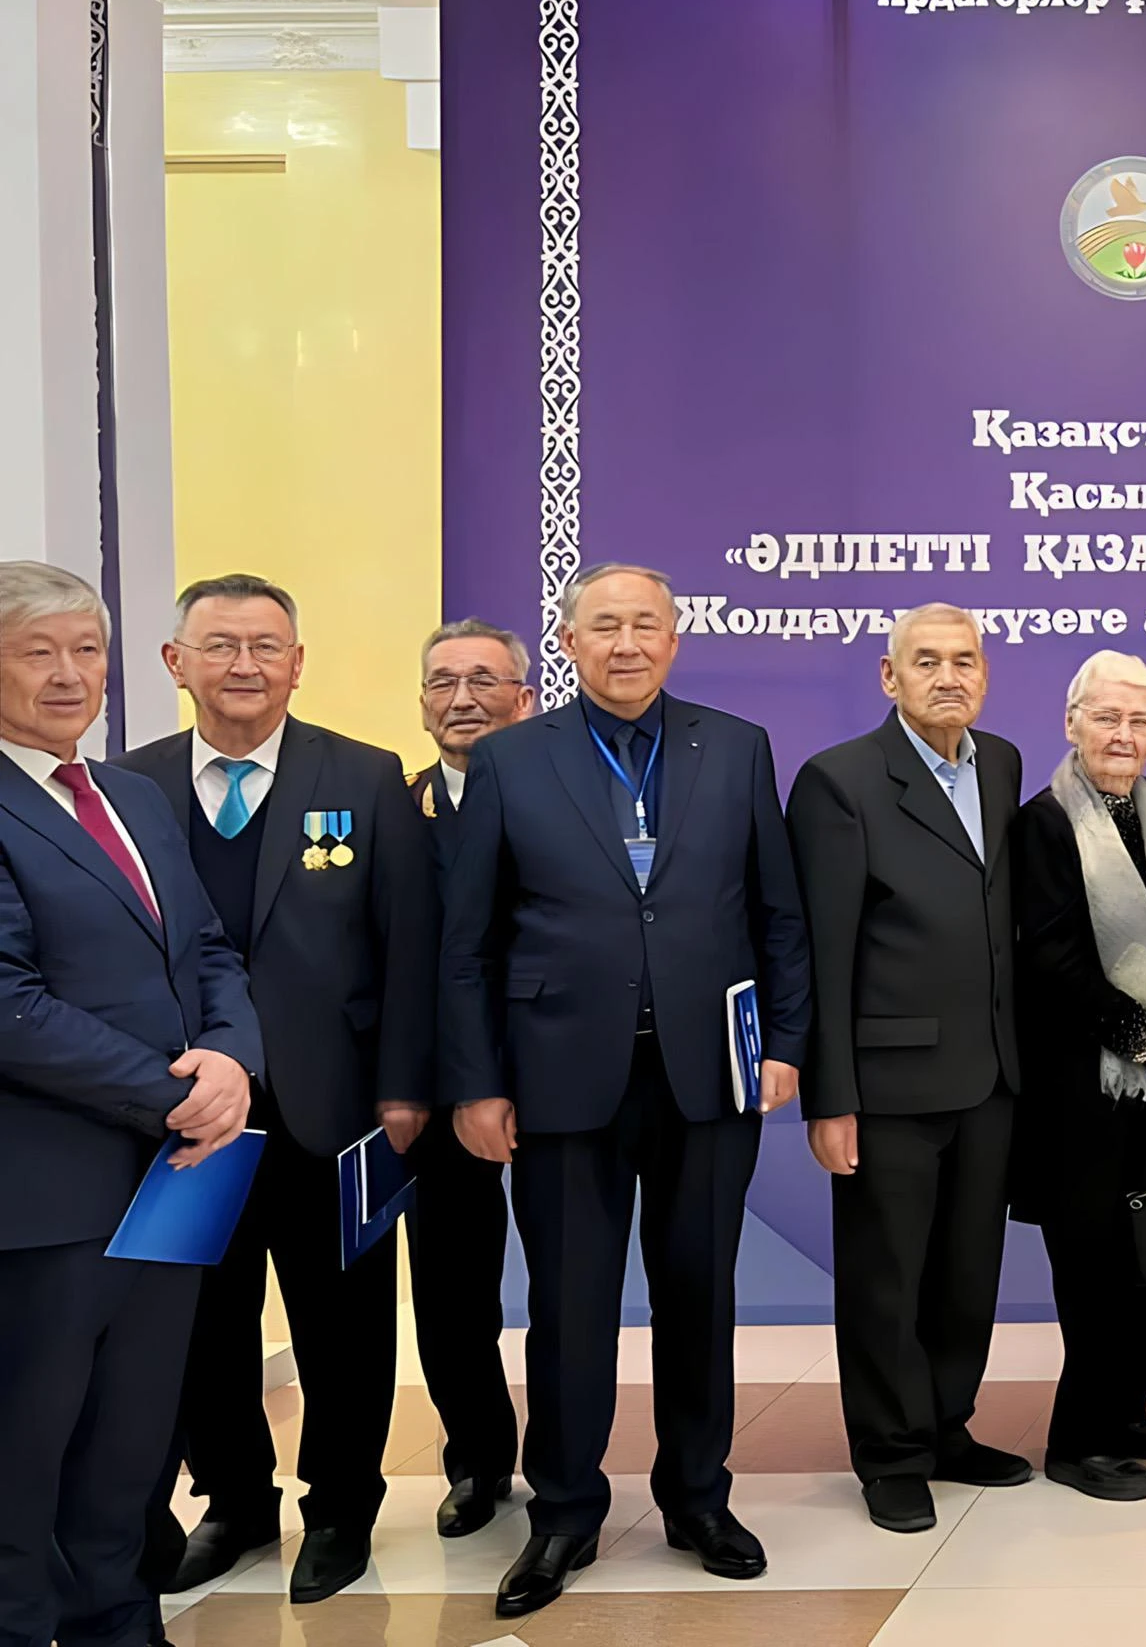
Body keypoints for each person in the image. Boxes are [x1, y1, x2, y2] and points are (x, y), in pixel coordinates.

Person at [437, 562, 812, 1618]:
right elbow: (467, 944)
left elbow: (778, 914)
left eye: (646, 625)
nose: (627, 643)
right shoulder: (511, 757)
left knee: (701, 1297)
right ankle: (564, 1510)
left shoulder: (735, 748)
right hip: (559, 1077)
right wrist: (476, 1082)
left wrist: (786, 1042)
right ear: (568, 642)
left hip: (708, 1075)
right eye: (604, 625)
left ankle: (698, 1497)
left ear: (674, 640)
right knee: (568, 1307)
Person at [124, 575, 432, 1604]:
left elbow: (408, 944)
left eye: (266, 646)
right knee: (201, 1324)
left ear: (298, 664)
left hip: (335, 1107)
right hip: (185, 1113)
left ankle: (340, 1509)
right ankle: (236, 1503)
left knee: (345, 1325)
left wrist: (405, 1088)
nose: (244, 665)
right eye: (220, 645)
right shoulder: (130, 787)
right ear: (177, 663)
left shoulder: (366, 775)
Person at [0, 560, 259, 1647]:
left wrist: (234, 1061)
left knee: (129, 1448)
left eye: (87, 650)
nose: (69, 674)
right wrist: (171, 1096)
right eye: (38, 652)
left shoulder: (134, 796)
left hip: (169, 1189)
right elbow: (9, 1003)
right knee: (24, 1455)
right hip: (47, 1199)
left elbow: (208, 951)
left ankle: (120, 1626)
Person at [788, 604, 1034, 1533]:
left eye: (964, 661)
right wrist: (830, 1097)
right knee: (887, 1277)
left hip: (991, 1074)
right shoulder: (840, 782)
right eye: (925, 662)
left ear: (986, 675)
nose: (948, 677)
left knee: (969, 1272)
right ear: (889, 678)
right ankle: (890, 1454)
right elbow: (825, 949)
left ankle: (946, 1427)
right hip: (887, 1083)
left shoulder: (1002, 764)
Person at [1011, 652, 1146, 1502]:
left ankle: (1125, 1413)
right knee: (1092, 1269)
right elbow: (1054, 961)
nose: (1123, 735)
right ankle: (1076, 1440)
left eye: (1139, 721)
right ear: (1072, 724)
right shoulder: (1046, 824)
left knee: (1145, 1253)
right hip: (1081, 1092)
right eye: (1106, 718)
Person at [403, 619, 536, 1540]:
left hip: (563, 1073)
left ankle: (568, 1462)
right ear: (422, 705)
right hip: (443, 1083)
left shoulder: (567, 799)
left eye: (484, 681)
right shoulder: (390, 812)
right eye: (444, 682)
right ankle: (479, 1459)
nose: (463, 700)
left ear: (523, 700)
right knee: (453, 1292)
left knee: (572, 1287)